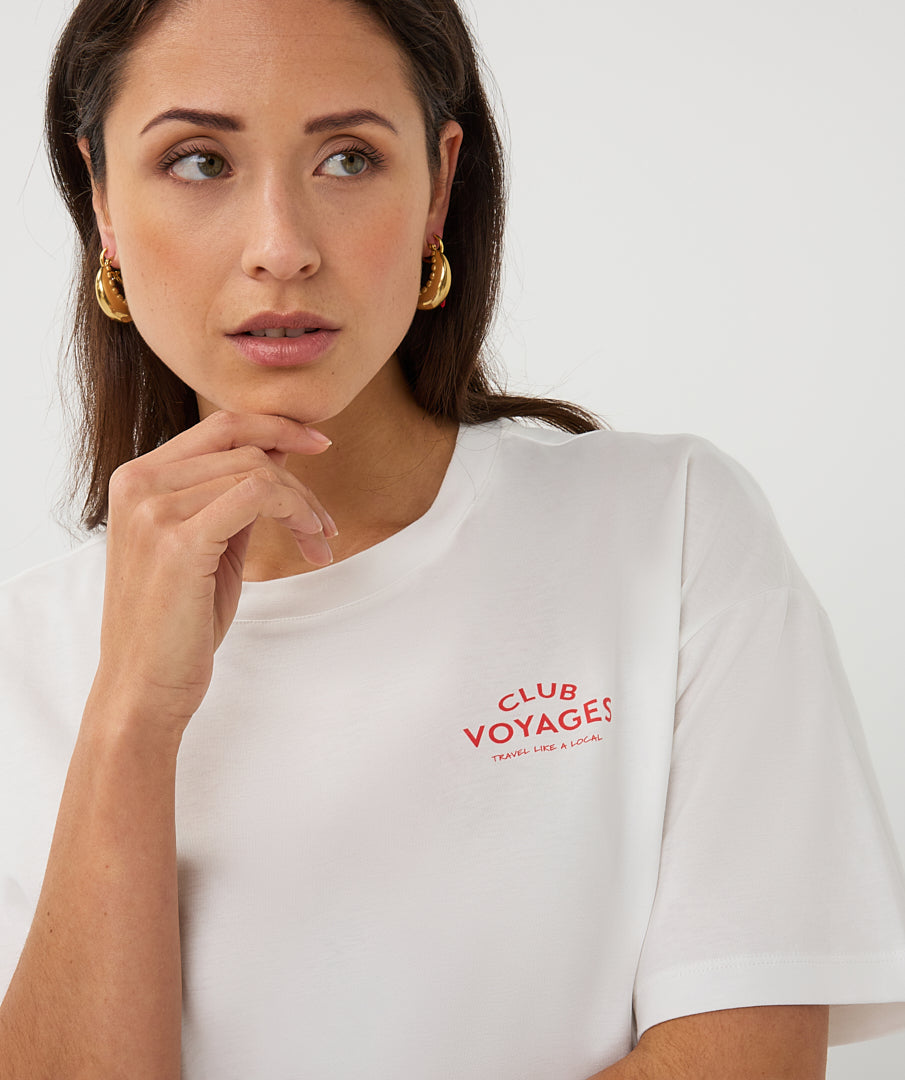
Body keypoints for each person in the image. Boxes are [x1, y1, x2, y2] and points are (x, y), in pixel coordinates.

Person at [0, 0, 903, 1076]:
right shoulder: (25, 656)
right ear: (102, 199)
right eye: (199, 161)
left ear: (438, 186)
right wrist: (131, 720)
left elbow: (745, 1062)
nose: (280, 248)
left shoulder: (666, 531)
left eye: (347, 158)